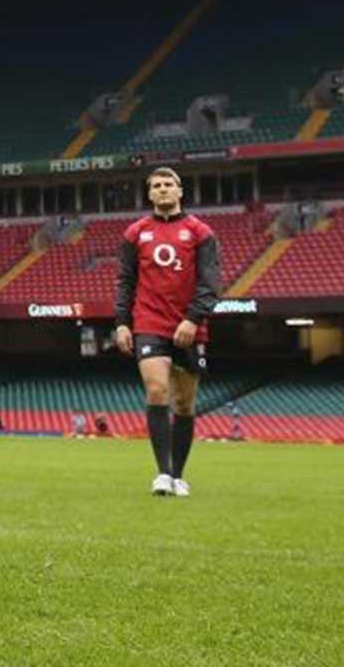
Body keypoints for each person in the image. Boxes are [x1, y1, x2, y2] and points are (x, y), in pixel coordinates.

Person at [113, 166, 223, 497]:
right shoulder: (135, 233)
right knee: (157, 390)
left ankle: (178, 475)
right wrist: (121, 322)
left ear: (180, 191)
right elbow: (125, 281)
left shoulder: (200, 232)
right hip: (149, 323)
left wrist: (192, 319)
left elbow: (210, 282)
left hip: (189, 326)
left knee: (185, 403)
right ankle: (162, 474)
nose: (162, 190)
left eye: (168, 184)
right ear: (149, 194)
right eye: (156, 185)